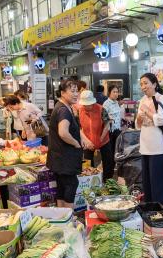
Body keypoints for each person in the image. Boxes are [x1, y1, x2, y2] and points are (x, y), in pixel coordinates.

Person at [47, 79, 83, 208]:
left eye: (77, 91)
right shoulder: (63, 110)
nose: (76, 94)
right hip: (65, 158)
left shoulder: (63, 107)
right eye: (72, 91)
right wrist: (76, 143)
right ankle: (69, 216)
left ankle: (62, 216)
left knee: (62, 186)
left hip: (58, 157)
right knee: (71, 184)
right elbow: (63, 133)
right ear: (62, 93)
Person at [136, 73, 163, 205]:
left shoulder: (161, 98)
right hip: (144, 146)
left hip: (158, 147)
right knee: (147, 181)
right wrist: (138, 119)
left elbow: (162, 120)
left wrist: (147, 112)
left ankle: (160, 207)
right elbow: (138, 125)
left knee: (158, 180)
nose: (143, 87)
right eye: (141, 84)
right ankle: (149, 207)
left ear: (154, 84)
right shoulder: (142, 100)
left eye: (146, 83)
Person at [78, 90, 114, 180]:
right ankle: (90, 180)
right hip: (88, 142)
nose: (86, 106)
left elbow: (107, 125)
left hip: (103, 140)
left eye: (88, 104)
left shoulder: (101, 109)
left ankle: (107, 181)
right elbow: (78, 127)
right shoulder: (80, 110)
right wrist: (85, 140)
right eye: (85, 105)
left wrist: (100, 139)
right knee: (88, 163)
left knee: (108, 161)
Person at [102, 85, 123, 154]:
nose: (116, 94)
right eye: (114, 92)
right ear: (109, 93)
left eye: (117, 92)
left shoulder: (117, 102)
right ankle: (112, 164)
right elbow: (103, 118)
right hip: (110, 131)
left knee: (117, 149)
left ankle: (116, 164)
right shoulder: (106, 104)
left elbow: (118, 115)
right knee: (111, 150)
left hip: (118, 130)